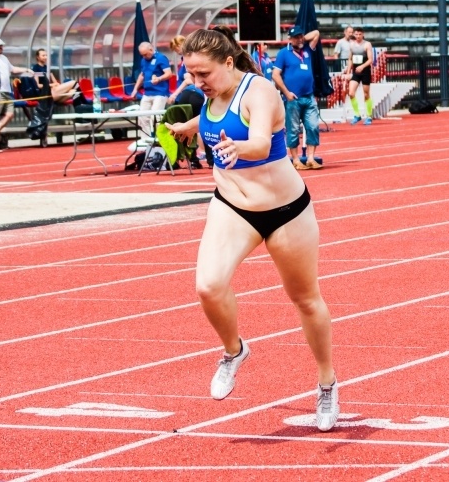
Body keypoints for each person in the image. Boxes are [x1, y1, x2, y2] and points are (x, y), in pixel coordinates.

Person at [166, 26, 339, 432]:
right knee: (208, 286)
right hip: (232, 207)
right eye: (190, 75)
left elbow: (260, 142)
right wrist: (185, 129)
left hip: (286, 211)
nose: (197, 83)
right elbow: (207, 117)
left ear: (228, 62)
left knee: (306, 299)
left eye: (203, 74)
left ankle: (327, 382)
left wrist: (238, 147)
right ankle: (234, 351)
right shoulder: (209, 96)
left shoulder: (260, 91)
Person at [272, 25, 323, 170]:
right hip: (293, 98)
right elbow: (276, 75)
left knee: (313, 126)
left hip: (309, 96)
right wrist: (287, 93)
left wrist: (301, 40)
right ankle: (295, 159)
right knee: (293, 129)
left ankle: (311, 158)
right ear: (290, 39)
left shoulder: (307, 50)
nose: (300, 39)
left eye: (301, 36)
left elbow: (316, 33)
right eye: (296, 37)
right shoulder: (283, 53)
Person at [168, 34, 211, 168]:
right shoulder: (185, 60)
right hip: (193, 94)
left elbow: (188, 80)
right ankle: (202, 159)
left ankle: (192, 158)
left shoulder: (190, 61)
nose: (177, 51)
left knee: (199, 125)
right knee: (202, 125)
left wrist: (175, 93)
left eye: (177, 47)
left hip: (191, 94)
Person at [0, 38, 33, 149]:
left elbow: (13, 69)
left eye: (1, 46)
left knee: (9, 114)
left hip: (7, 91)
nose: (1, 48)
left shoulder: (4, 58)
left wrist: (26, 70)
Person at [130, 41, 173, 133]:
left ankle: (158, 138)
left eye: (145, 54)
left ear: (151, 49)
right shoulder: (143, 60)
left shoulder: (161, 58)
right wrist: (135, 89)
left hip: (160, 93)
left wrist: (159, 79)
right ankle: (145, 139)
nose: (144, 57)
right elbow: (142, 75)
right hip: (147, 93)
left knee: (155, 117)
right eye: (142, 55)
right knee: (142, 116)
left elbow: (169, 74)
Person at [345, 27, 375, 125]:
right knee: (351, 93)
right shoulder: (352, 45)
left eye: (359, 34)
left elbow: (371, 59)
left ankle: (369, 116)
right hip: (356, 72)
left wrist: (362, 66)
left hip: (365, 71)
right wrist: (348, 72)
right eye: (356, 34)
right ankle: (357, 115)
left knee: (366, 94)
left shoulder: (367, 44)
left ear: (363, 34)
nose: (358, 36)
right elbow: (350, 59)